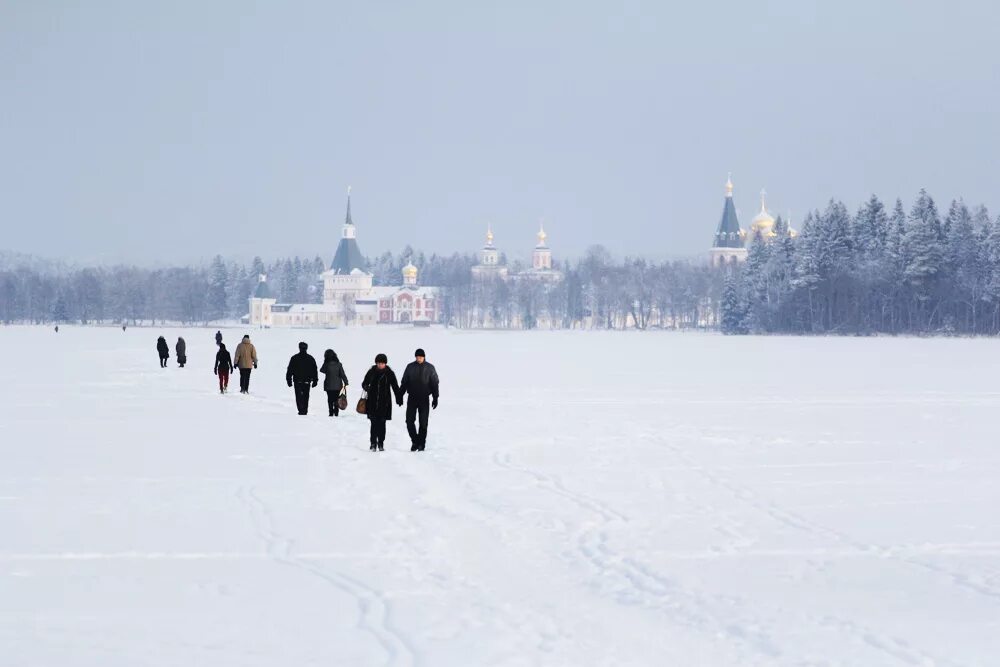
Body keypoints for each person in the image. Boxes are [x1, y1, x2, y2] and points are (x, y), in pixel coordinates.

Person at [399, 348, 440, 451]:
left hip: (424, 399)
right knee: (409, 421)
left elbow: (435, 383)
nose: (419, 358)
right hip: (412, 398)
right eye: (417, 357)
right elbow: (404, 382)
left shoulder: (430, 368)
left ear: (424, 357)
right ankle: (415, 441)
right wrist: (400, 395)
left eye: (421, 357)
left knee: (423, 423)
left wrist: (435, 397)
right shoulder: (410, 367)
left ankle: (421, 444)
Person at [361, 353, 400, 452]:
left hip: (385, 403)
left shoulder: (389, 373)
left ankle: (381, 443)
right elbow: (365, 382)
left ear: (385, 364)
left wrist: (398, 397)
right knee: (373, 424)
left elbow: (395, 386)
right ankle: (373, 443)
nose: (380, 365)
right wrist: (366, 386)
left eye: (382, 363)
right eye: (378, 363)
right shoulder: (372, 371)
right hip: (372, 402)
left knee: (382, 424)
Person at [286, 342, 318, 415]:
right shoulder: (310, 358)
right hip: (307, 381)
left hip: (298, 381)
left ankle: (301, 411)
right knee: (306, 397)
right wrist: (315, 380)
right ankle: (304, 411)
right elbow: (314, 370)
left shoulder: (294, 358)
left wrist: (289, 380)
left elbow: (290, 370)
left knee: (299, 397)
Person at [320, 349, 349, 417]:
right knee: (336, 399)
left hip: (328, 385)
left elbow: (322, 370)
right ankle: (336, 412)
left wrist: (325, 363)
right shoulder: (339, 364)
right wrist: (346, 382)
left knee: (330, 399)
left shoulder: (326, 364)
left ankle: (330, 412)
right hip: (337, 385)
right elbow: (342, 374)